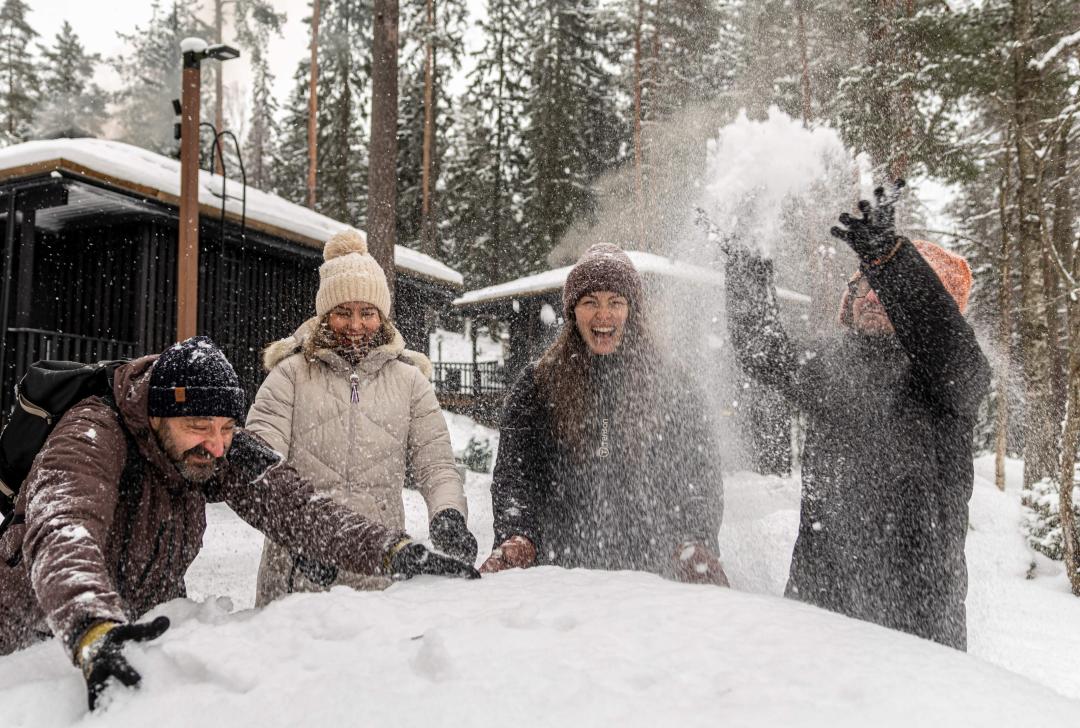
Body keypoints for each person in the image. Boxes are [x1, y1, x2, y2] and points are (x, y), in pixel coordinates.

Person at [0, 336, 477, 709]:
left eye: (227, 428)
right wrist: (91, 627)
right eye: (199, 427)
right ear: (158, 415)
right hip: (34, 650)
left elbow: (302, 510)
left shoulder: (215, 448)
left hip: (134, 642)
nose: (216, 445)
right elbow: (63, 527)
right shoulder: (90, 434)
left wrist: (394, 551)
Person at [723, 182, 990, 649]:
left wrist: (891, 262)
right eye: (864, 284)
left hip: (916, 631)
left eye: (882, 288)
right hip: (817, 613)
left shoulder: (949, 381)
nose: (869, 296)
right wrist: (748, 257)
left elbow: (944, 339)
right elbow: (762, 349)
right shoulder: (832, 365)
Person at [247, 229, 476, 605]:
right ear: (325, 315)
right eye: (343, 313)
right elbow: (259, 466)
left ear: (381, 316)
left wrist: (448, 514)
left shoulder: (409, 381)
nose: (356, 325)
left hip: (379, 571)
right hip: (296, 575)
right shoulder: (290, 375)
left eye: (367, 313)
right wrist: (301, 531)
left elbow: (436, 466)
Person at [482, 243, 727, 585]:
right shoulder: (537, 385)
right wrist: (518, 536)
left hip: (655, 580)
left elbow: (699, 476)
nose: (603, 315)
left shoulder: (673, 384)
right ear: (572, 312)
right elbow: (515, 476)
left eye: (615, 302)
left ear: (632, 310)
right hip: (558, 578)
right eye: (590, 302)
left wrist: (694, 542)